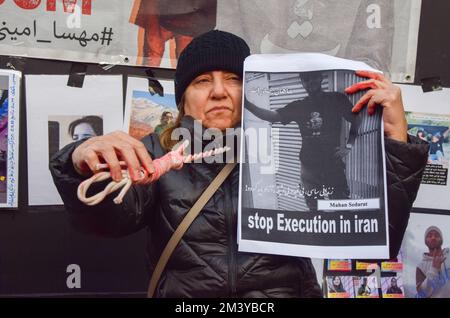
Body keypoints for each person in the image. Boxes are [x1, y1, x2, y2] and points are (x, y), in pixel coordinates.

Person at [49, 30, 428, 298]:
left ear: (250, 87)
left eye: (233, 78)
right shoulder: (156, 154)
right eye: (201, 80)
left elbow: (375, 237)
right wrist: (78, 161)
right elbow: (105, 222)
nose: (218, 90)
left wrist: (397, 139)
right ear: (183, 99)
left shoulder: (287, 148)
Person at [245, 72, 360, 211]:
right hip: (309, 168)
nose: (310, 82)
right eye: (306, 79)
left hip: (333, 165)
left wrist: (349, 145)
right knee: (314, 209)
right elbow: (273, 117)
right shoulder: (299, 106)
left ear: (320, 77)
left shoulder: (336, 99)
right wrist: (247, 105)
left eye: (313, 77)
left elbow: (356, 119)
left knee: (341, 206)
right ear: (302, 81)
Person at [130, 0, 217, 67]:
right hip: (182, 13)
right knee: (153, 57)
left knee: (186, 59)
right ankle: (148, 82)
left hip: (189, 13)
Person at [416, 226, 450, 298]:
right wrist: (434, 269)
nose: (433, 237)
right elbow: (422, 293)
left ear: (442, 239)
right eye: (429, 236)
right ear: (425, 241)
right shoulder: (420, 266)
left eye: (437, 235)